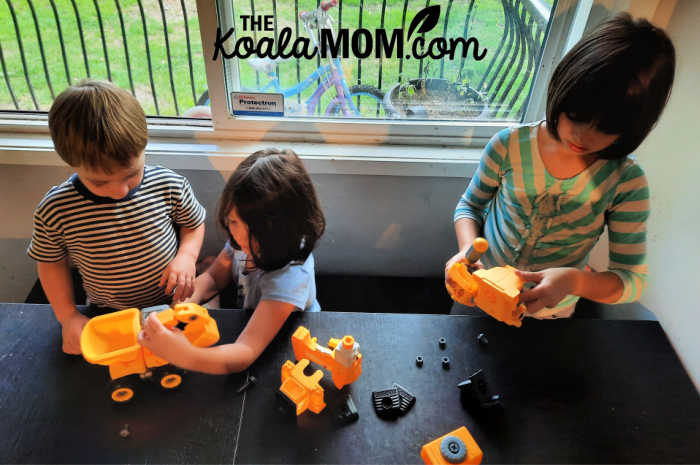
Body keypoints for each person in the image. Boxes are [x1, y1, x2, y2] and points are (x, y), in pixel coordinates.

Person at [446, 13, 675, 319]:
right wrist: (466, 252)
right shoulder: (509, 146)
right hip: (480, 292)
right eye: (577, 114)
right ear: (564, 87)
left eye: (606, 127)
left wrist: (575, 281)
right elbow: (469, 207)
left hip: (552, 314)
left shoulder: (625, 183)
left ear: (634, 127)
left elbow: (631, 281)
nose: (582, 135)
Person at [27, 80, 206, 354]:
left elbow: (193, 225)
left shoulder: (168, 184)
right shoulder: (56, 209)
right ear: (70, 162)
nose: (119, 191)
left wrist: (187, 257)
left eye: (131, 175)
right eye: (99, 183)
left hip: (173, 303)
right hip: (108, 312)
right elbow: (50, 263)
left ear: (144, 147)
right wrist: (68, 317)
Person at [138, 149, 326, 374]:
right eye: (234, 221)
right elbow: (213, 278)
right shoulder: (243, 238)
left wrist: (183, 354)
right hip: (249, 321)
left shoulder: (290, 277)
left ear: (284, 231)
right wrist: (182, 307)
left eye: (256, 233)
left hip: (287, 344)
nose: (239, 238)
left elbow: (244, 352)